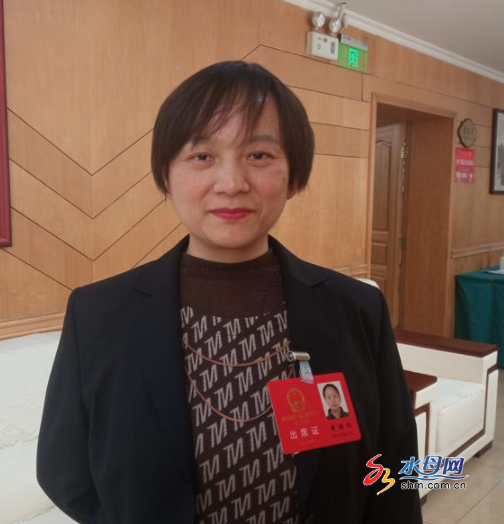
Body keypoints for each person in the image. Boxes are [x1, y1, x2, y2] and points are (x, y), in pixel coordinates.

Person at [36, 61, 422, 524]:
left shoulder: (356, 309)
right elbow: (64, 472)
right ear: (165, 177)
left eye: (259, 155)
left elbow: (394, 467)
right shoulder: (98, 314)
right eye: (202, 156)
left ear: (294, 176)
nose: (232, 184)